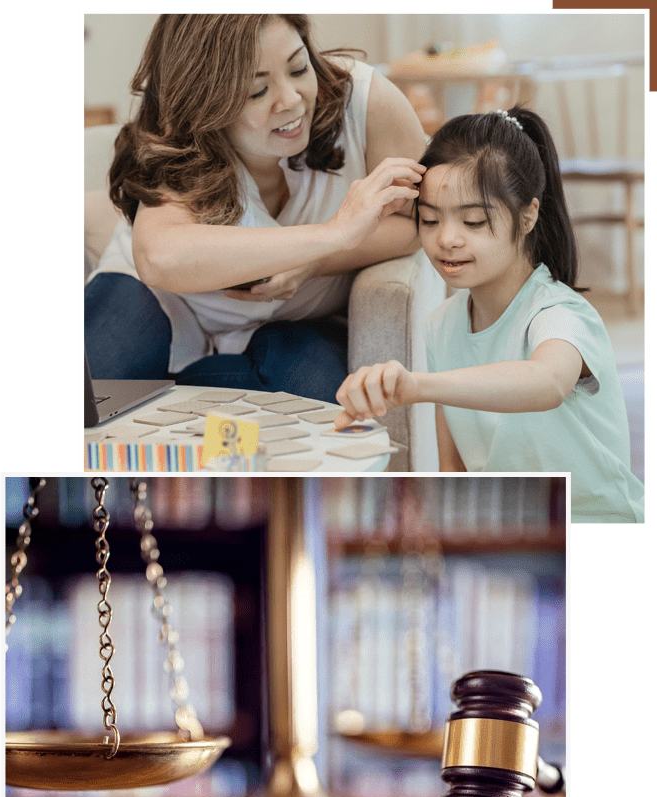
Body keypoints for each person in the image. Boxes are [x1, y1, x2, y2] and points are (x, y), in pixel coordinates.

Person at [85, 13, 427, 401]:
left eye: (299, 68)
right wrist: (333, 233)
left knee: (315, 410)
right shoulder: (180, 140)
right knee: (95, 397)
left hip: (296, 320)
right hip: (160, 299)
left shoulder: (366, 103)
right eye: (256, 91)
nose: (292, 100)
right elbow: (158, 259)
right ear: (204, 103)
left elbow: (423, 222)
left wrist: (316, 261)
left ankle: (185, 391)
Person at [335, 106, 644, 524]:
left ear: (528, 215)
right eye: (429, 220)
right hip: (518, 541)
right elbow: (455, 472)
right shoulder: (441, 326)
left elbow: (546, 381)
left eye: (474, 221)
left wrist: (416, 386)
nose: (447, 239)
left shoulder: (560, 314)